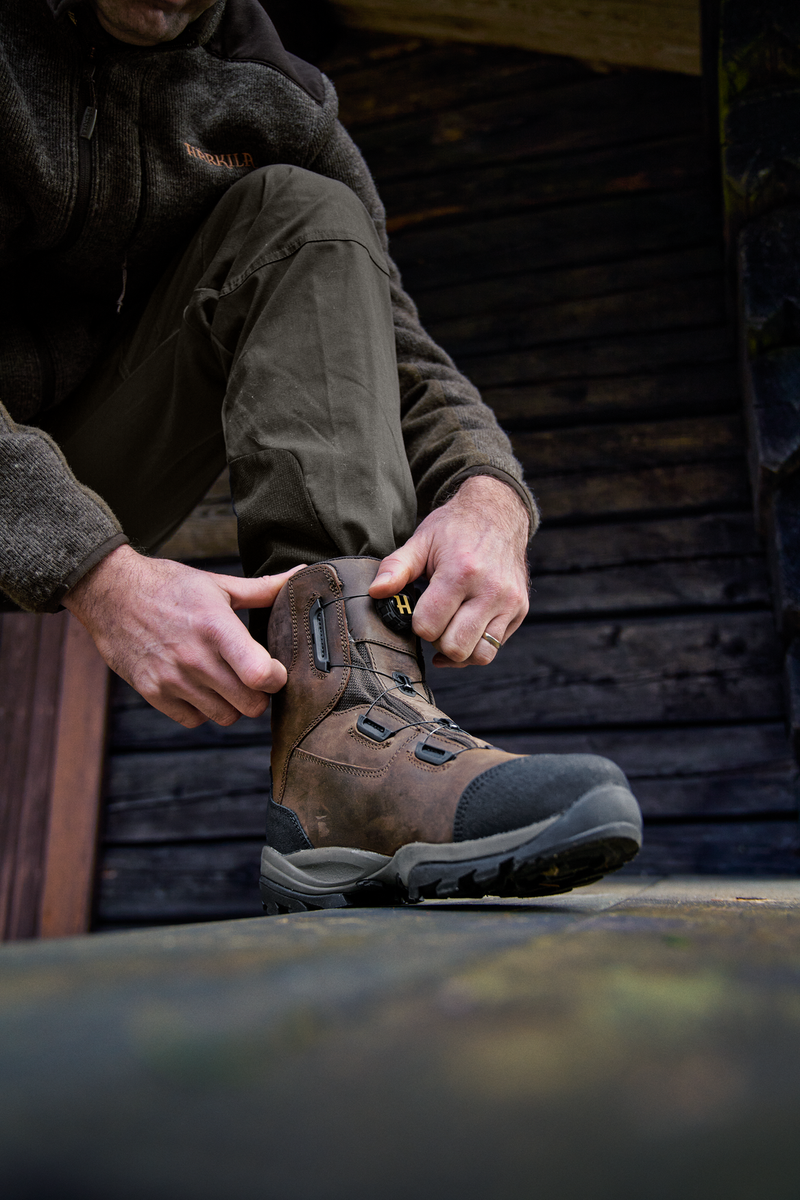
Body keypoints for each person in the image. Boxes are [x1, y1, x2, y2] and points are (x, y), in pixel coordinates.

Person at [0, 0, 643, 905]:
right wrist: (95, 573)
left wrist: (488, 489)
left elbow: (384, 332)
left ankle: (347, 744)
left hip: (89, 458)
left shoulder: (274, 97)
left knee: (306, 214)